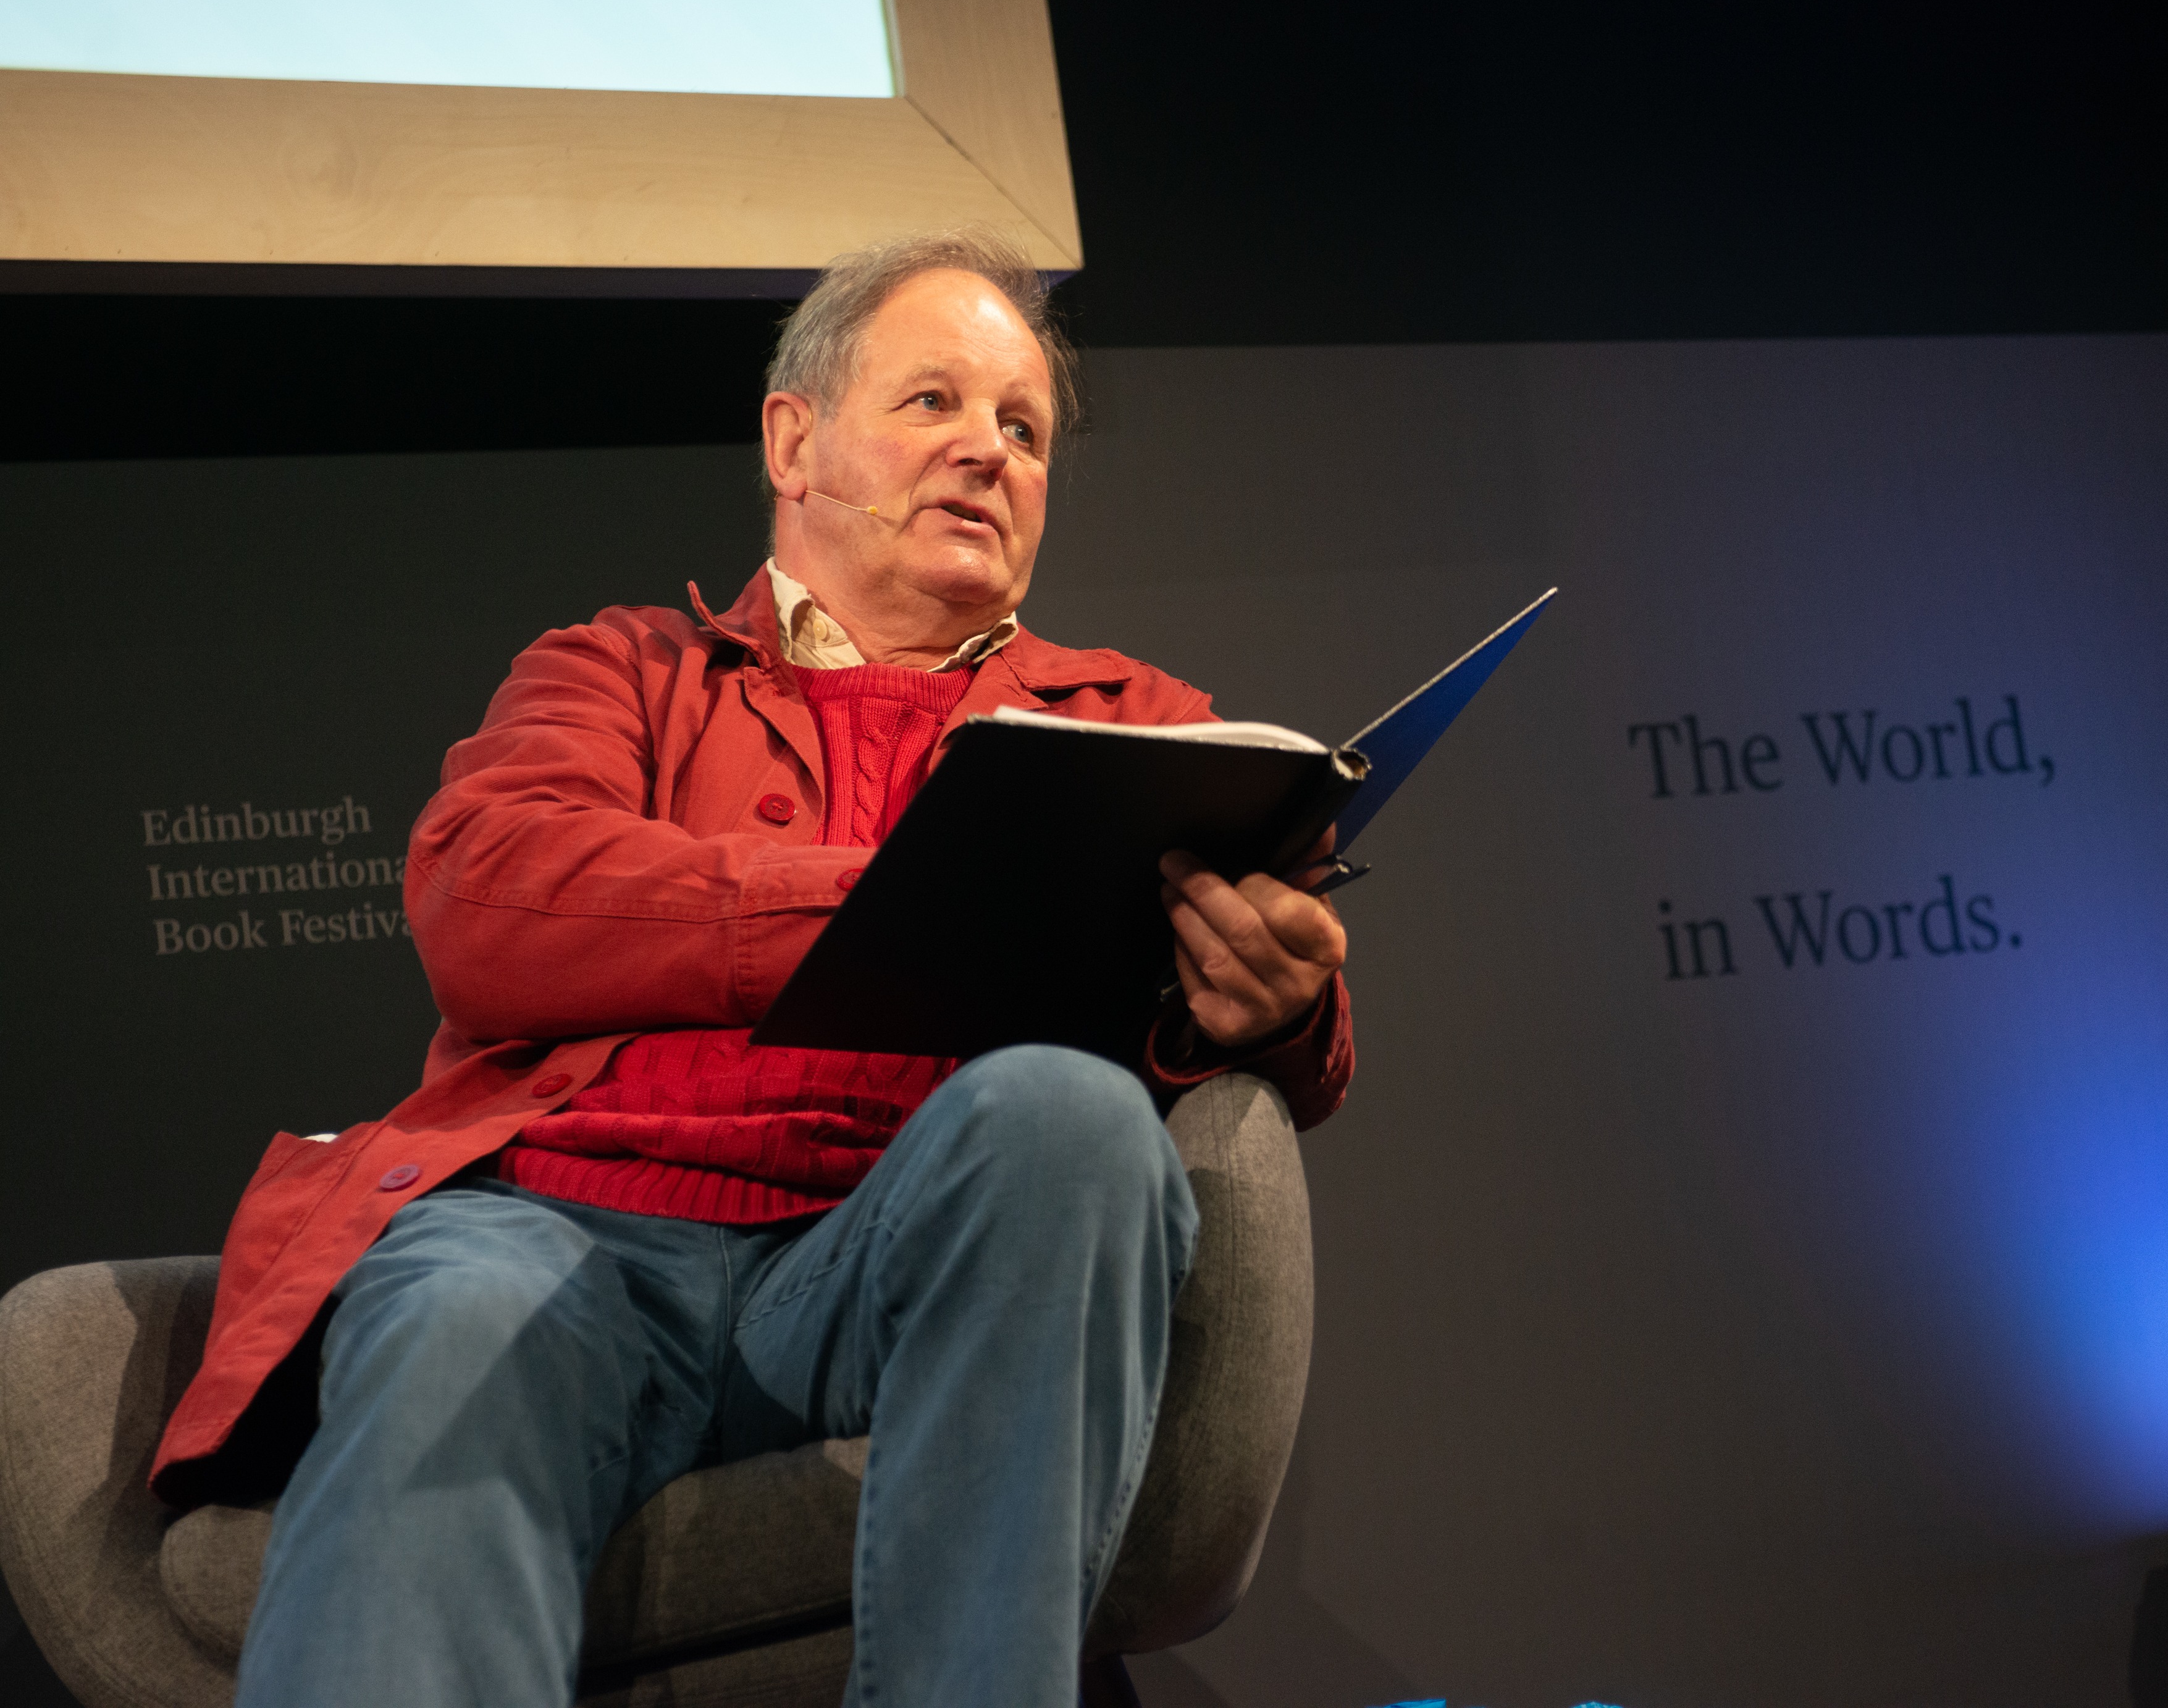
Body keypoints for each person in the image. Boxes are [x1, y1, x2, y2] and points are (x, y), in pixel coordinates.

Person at [146, 230, 1356, 1707]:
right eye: (933, 405)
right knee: (455, 1304)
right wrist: (893, 900)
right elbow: (493, 893)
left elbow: (1234, 1018)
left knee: (1072, 1118)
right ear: (794, 436)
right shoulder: (624, 669)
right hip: (564, 1240)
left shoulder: (1136, 725)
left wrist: (1277, 1007)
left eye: (1021, 429)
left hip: (883, 1258)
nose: (986, 451)